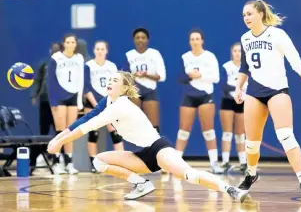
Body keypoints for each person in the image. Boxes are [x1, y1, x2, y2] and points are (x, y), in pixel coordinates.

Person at [47, 71, 242, 201]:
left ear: (124, 89)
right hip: (142, 156)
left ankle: (230, 189)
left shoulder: (120, 105)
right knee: (99, 162)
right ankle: (141, 184)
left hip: (159, 148)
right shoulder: (107, 102)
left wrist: (58, 143)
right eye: (110, 79)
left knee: (189, 175)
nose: (110, 82)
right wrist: (57, 139)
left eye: (115, 80)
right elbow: (83, 120)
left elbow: (88, 127)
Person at [234, 0, 301, 201]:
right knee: (251, 144)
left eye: (249, 14)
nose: (246, 18)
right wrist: (238, 88)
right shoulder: (245, 38)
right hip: (254, 93)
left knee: (285, 135)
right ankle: (251, 174)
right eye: (243, 15)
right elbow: (244, 68)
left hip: (277, 91)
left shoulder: (278, 35)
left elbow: (297, 63)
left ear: (260, 13)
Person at [175, 29, 223, 174]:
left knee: (208, 130)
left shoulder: (210, 57)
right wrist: (190, 76)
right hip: (189, 95)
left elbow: (216, 78)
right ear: (189, 42)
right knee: (183, 130)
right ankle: (176, 164)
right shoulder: (185, 57)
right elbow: (179, 78)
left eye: (197, 39)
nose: (195, 41)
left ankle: (214, 163)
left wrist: (200, 75)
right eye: (192, 39)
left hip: (205, 95)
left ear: (202, 40)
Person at [84, 40, 124, 172]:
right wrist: (97, 105)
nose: (100, 51)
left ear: (106, 51)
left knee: (115, 133)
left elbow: (116, 84)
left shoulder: (111, 66)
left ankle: (121, 162)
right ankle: (93, 164)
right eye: (97, 49)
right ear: (94, 50)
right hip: (92, 102)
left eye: (102, 49)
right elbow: (86, 86)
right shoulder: (88, 65)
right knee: (93, 133)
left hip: (108, 101)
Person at [47, 33, 84, 175]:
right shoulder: (56, 58)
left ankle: (69, 162)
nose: (70, 44)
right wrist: (53, 100)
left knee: (70, 131)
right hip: (59, 96)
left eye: (73, 42)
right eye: (68, 42)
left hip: (73, 97)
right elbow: (50, 81)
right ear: (64, 44)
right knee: (60, 130)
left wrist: (79, 100)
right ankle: (56, 162)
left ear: (76, 44)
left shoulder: (79, 58)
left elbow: (80, 80)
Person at [124, 27, 166, 134]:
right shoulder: (129, 55)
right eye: (137, 38)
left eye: (143, 37)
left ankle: (156, 150)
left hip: (150, 91)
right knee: (136, 124)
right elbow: (125, 77)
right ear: (134, 40)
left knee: (154, 127)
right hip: (135, 92)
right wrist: (134, 76)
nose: (140, 40)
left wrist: (146, 75)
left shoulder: (154, 53)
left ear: (147, 40)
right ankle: (140, 150)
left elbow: (162, 76)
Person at [30, 42, 61, 174]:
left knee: (59, 132)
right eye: (53, 50)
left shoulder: (63, 64)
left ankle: (58, 159)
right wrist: (34, 94)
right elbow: (38, 80)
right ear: (50, 51)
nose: (54, 51)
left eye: (57, 50)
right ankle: (40, 157)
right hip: (44, 101)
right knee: (43, 131)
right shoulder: (44, 64)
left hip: (58, 103)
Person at [220, 43, 247, 173]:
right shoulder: (226, 66)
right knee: (227, 133)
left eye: (239, 51)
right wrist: (238, 88)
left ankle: (243, 162)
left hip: (242, 101)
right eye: (235, 51)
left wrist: (241, 90)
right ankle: (225, 162)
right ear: (231, 52)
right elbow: (223, 86)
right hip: (228, 101)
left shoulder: (247, 68)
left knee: (240, 134)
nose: (237, 53)